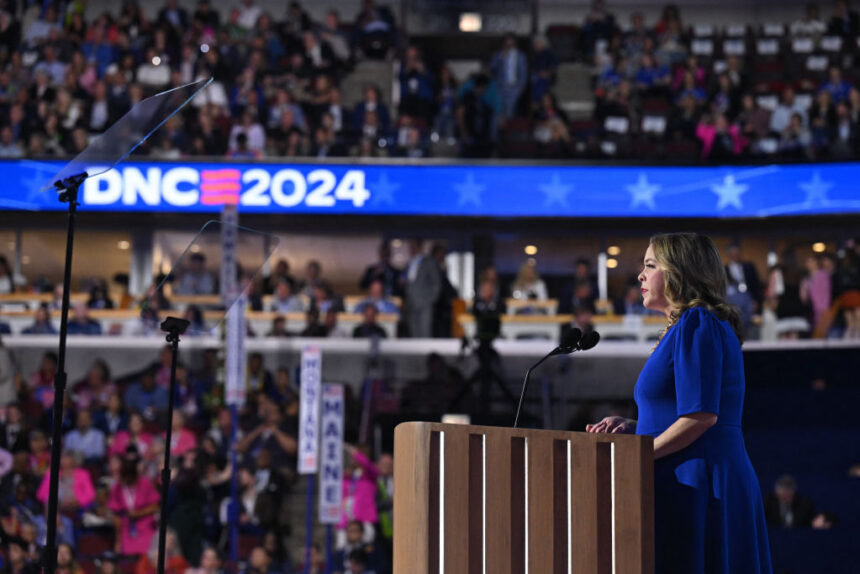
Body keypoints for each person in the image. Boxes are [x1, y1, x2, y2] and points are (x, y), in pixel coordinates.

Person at [587, 233, 772, 574]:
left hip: (700, 481)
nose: (640, 276)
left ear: (679, 272)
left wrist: (637, 454)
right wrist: (635, 429)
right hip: (687, 473)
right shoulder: (685, 327)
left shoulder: (696, 322)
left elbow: (701, 416)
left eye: (650, 266)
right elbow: (681, 410)